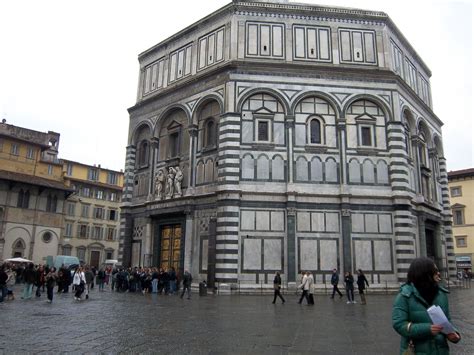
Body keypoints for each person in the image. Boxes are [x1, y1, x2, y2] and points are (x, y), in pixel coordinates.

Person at [392, 257, 461, 354]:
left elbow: (447, 320)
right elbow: (399, 324)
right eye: (435, 271)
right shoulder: (404, 296)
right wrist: (427, 329)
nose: (438, 273)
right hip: (416, 350)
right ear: (424, 273)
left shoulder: (441, 294)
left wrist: (454, 333)